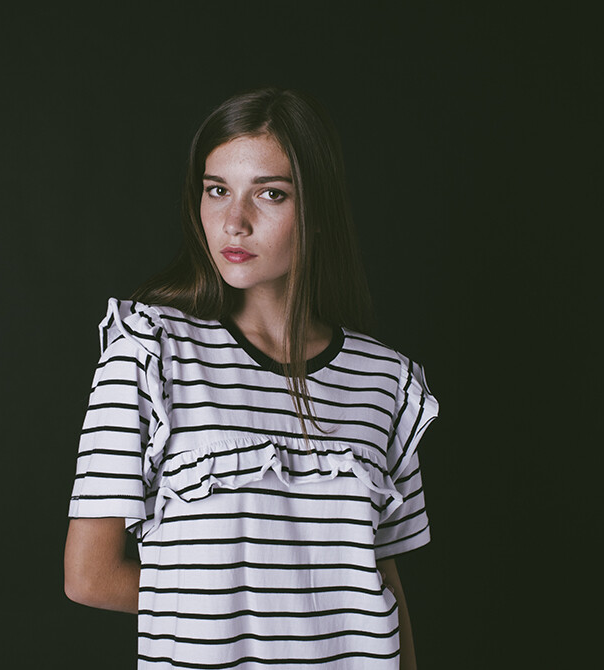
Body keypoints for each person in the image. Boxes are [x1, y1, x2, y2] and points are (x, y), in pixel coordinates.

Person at [64, 87, 439, 669]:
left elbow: (384, 581)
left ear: (317, 209)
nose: (233, 222)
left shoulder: (385, 379)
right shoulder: (150, 351)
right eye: (217, 190)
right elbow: (89, 576)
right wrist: (262, 617)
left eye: (270, 193)